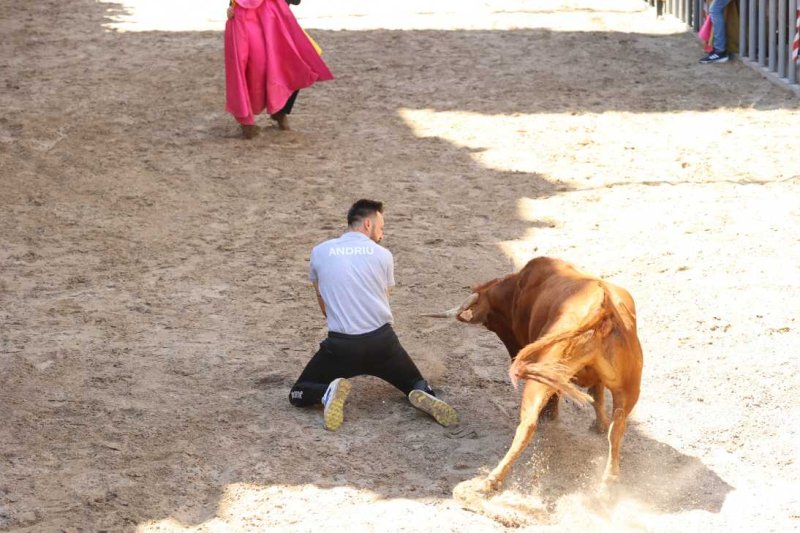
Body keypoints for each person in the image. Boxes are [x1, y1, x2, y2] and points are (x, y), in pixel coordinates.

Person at [289, 199, 459, 431]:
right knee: (413, 382)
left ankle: (326, 392)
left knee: (298, 393)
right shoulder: (383, 255)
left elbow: (322, 299)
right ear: (367, 224)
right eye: (381, 226)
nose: (382, 233)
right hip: (383, 343)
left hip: (341, 346)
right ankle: (422, 392)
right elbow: (384, 296)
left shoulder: (319, 251)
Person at [225, 0, 333, 139]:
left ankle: (281, 111)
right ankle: (252, 118)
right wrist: (231, 5)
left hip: (276, 17)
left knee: (297, 59)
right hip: (254, 15)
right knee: (257, 64)